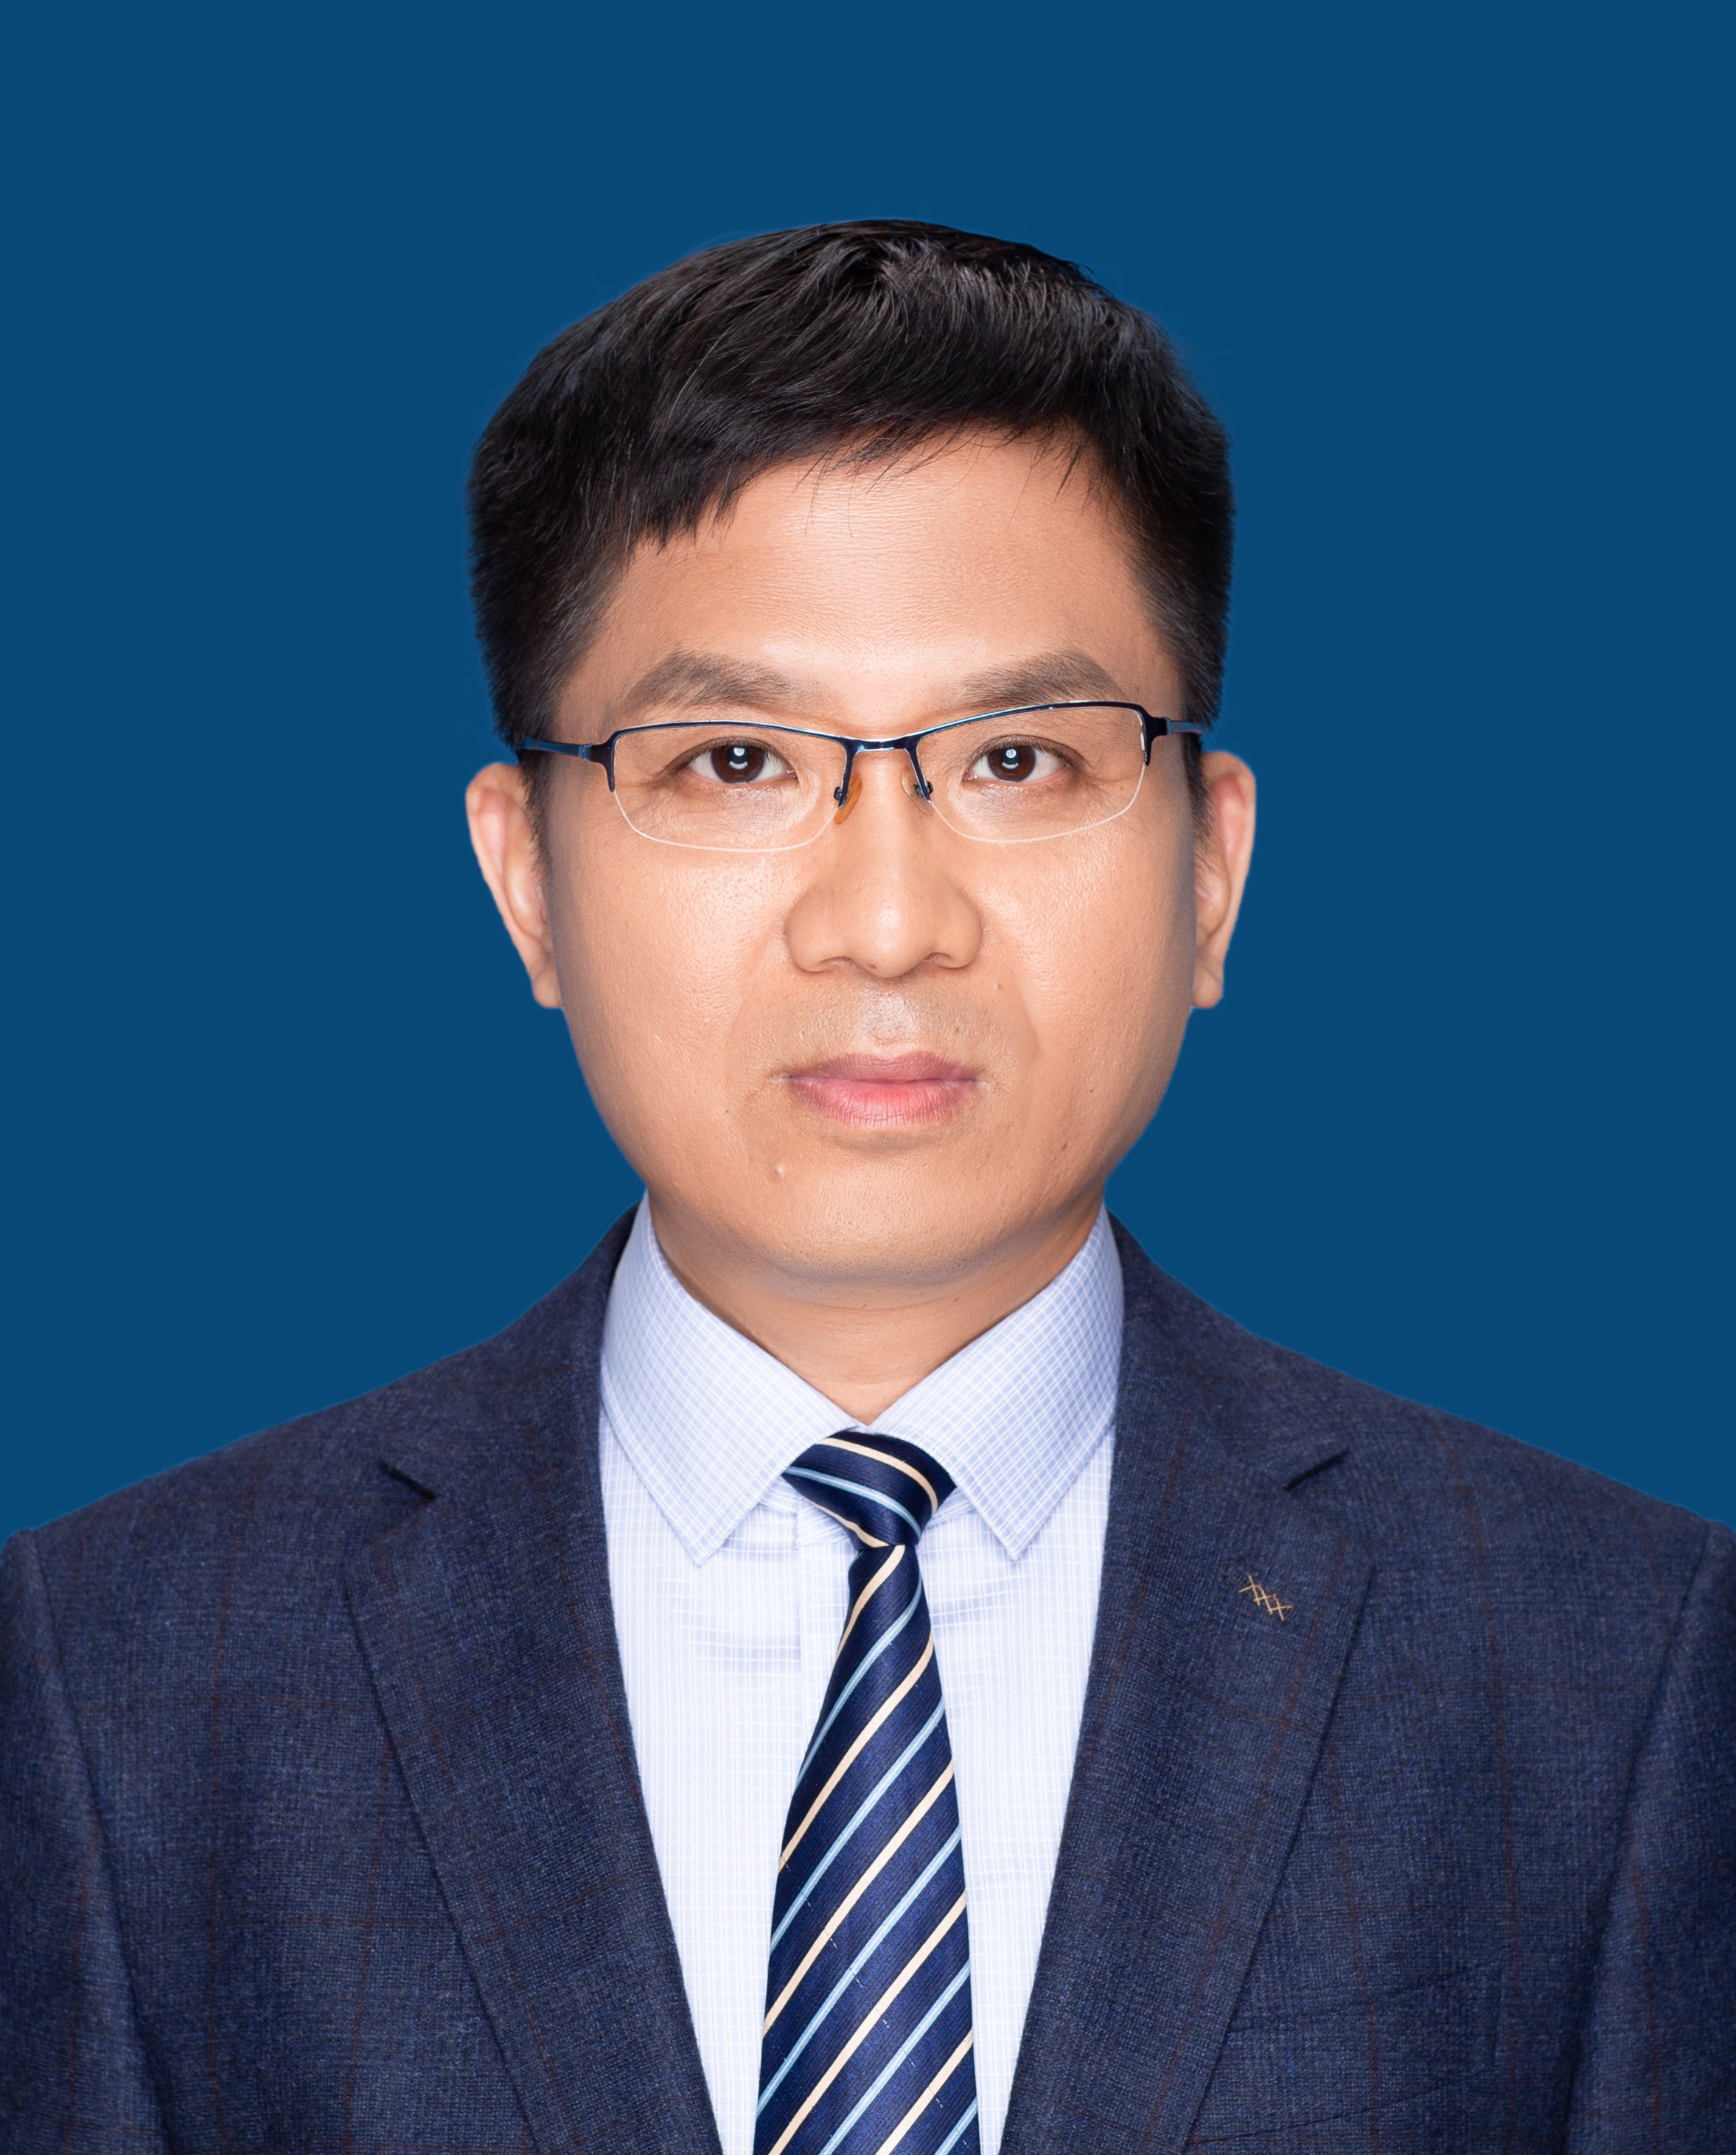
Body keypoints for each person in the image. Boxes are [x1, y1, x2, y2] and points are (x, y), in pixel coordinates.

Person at [1, 221, 1730, 2155]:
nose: (888, 920)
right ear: (526, 879)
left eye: (1019, 758)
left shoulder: (1612, 1666)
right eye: (736, 759)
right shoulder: (118, 1675)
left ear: (1210, 870)